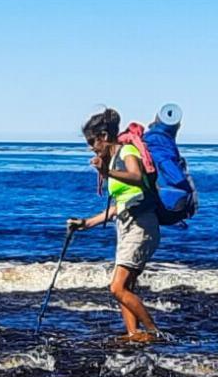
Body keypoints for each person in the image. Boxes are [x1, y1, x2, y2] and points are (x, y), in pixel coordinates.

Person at [68, 107, 159, 342]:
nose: (91, 147)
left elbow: (137, 176)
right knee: (126, 287)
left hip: (141, 225)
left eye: (92, 141)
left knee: (116, 288)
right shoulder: (114, 160)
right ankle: (133, 333)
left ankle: (153, 333)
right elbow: (119, 205)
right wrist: (87, 223)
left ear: (104, 137)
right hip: (127, 225)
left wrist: (107, 171)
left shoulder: (127, 151)